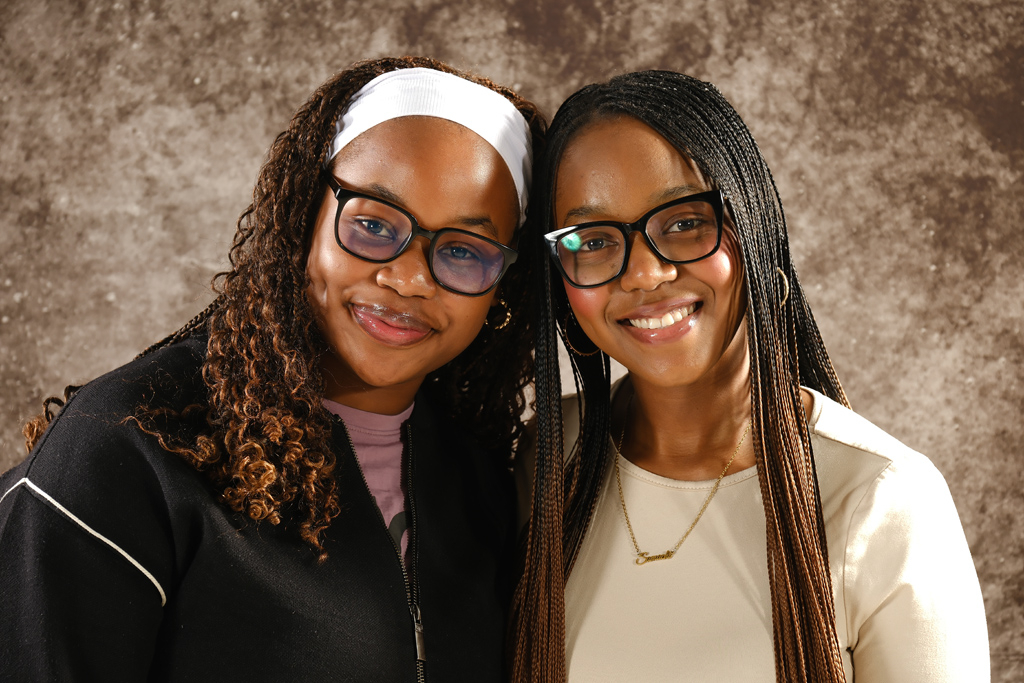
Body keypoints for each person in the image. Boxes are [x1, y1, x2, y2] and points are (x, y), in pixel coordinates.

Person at [0, 56, 544, 682]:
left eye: (464, 251)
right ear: (303, 215)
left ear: (503, 285)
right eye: (372, 223)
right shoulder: (126, 452)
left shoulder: (484, 485)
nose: (409, 278)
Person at [510, 70, 989, 682]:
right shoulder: (550, 459)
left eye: (684, 222)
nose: (645, 274)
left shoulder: (882, 498)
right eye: (594, 240)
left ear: (754, 226)